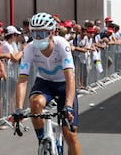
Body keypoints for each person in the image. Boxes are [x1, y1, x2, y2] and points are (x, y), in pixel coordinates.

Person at [14, 12, 81, 155]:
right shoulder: (30, 49)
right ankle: (42, 141)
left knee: (70, 135)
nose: (37, 37)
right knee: (35, 102)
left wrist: (68, 106)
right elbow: (22, 80)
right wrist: (19, 108)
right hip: (44, 82)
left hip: (64, 84)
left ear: (51, 32)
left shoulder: (62, 45)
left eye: (42, 33)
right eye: (34, 33)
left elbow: (70, 78)